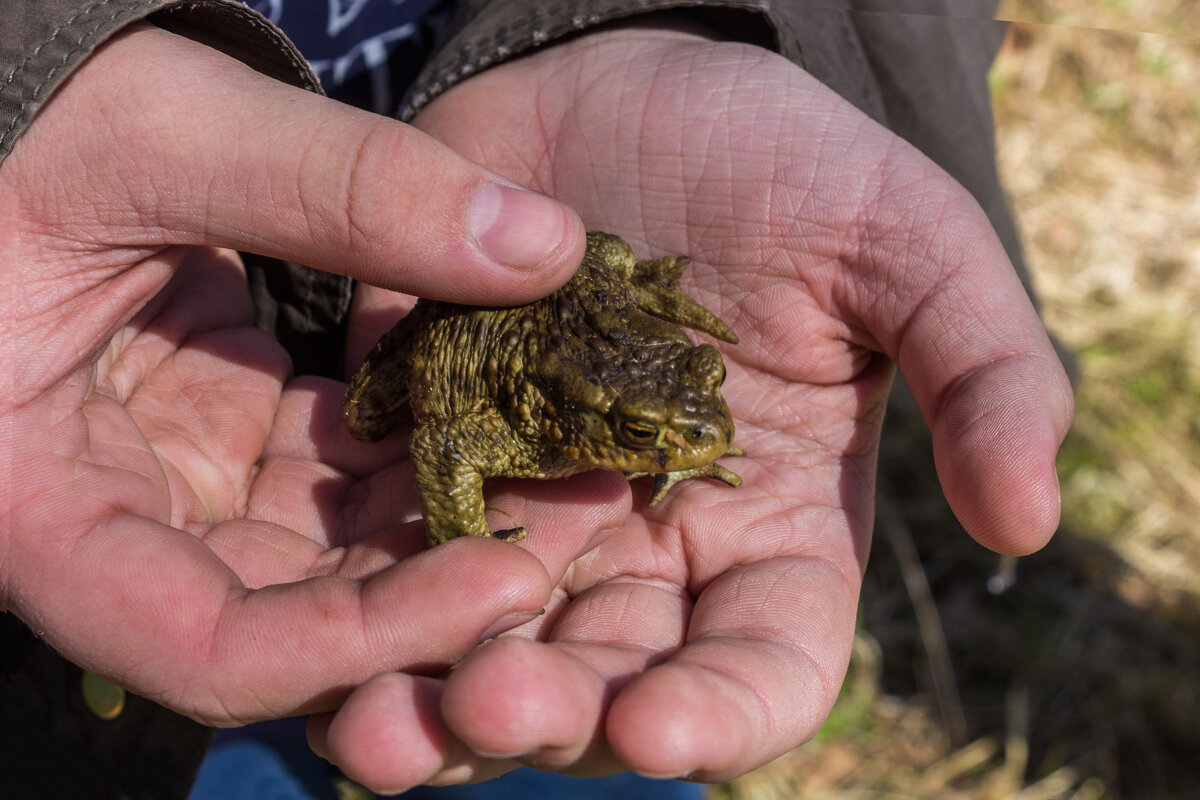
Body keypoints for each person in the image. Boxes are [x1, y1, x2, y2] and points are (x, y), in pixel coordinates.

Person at [0, 0, 1073, 795]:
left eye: (689, 405)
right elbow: (452, 439)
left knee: (567, 723)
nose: (700, 427)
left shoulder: (638, 395)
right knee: (360, 430)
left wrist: (637, 29)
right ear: (591, 428)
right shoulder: (533, 424)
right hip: (208, 355)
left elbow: (601, 266)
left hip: (510, 200)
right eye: (656, 433)